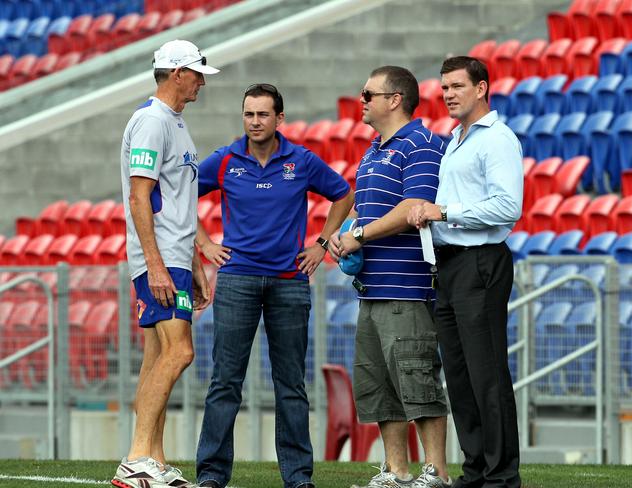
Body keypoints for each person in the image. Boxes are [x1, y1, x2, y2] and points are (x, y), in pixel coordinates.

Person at [194, 83, 354, 488]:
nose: (255, 121)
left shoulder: (300, 160)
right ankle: (212, 475)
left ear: (279, 118)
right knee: (225, 381)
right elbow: (178, 193)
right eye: (249, 114)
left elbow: (344, 194)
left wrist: (321, 244)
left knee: (290, 384)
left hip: (289, 284)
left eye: (263, 114)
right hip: (237, 281)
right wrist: (204, 243)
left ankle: (298, 477)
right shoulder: (225, 159)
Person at [329, 65, 451, 488]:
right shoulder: (373, 149)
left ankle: (435, 471)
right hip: (373, 289)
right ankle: (397, 471)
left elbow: (412, 207)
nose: (361, 101)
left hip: (408, 287)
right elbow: (368, 209)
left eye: (368, 94)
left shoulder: (420, 143)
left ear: (395, 99)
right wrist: (344, 237)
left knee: (417, 380)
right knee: (379, 386)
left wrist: (358, 235)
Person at [408, 56, 523, 488]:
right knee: (459, 376)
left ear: (481, 88)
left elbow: (508, 206)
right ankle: (475, 470)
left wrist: (444, 212)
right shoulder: (455, 139)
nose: (449, 94)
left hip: (481, 261)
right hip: (450, 266)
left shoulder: (497, 140)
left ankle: (502, 476)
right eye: (444, 88)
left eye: (457, 86)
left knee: (486, 374)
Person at [112, 39, 218, 488]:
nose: (200, 82)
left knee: (158, 355)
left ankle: (152, 458)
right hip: (158, 258)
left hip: (173, 255)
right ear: (177, 73)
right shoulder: (153, 122)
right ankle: (136, 456)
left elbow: (175, 201)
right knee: (181, 351)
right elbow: (140, 196)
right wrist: (156, 265)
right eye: (196, 73)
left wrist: (190, 258)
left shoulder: (172, 123)